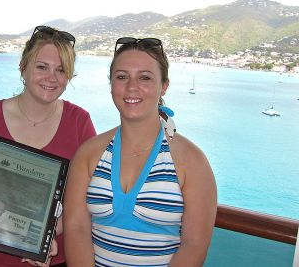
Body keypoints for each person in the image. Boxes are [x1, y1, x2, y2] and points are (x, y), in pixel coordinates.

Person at [0, 25, 96, 267]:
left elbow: (85, 197)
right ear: (23, 67)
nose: (51, 78)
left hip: (51, 258)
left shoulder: (79, 122)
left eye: (61, 70)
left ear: (69, 77)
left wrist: (49, 235)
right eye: (42, 67)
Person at [64, 37, 217, 266]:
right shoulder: (89, 154)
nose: (131, 87)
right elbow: (76, 228)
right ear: (111, 84)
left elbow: (194, 245)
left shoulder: (192, 161)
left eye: (144, 77)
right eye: (122, 77)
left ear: (164, 85)